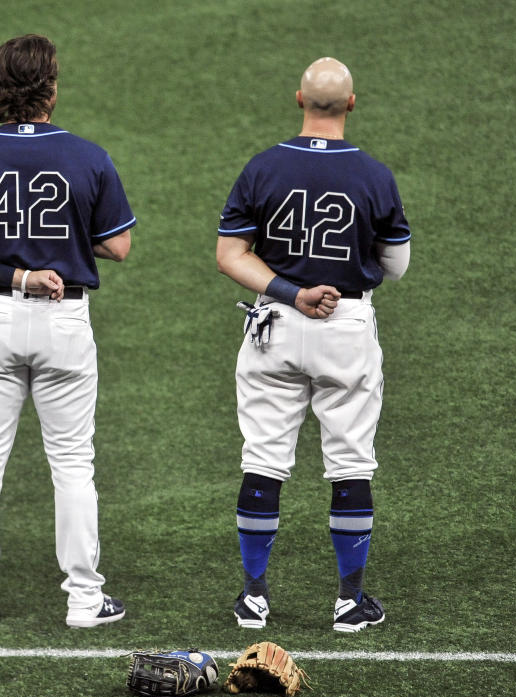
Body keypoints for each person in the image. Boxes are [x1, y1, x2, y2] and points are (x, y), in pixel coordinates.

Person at [0, 34, 135, 627]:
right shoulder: (87, 156)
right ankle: (84, 599)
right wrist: (65, 242)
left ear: (1, 85)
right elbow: (118, 245)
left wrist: (16, 273)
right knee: (72, 464)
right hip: (65, 321)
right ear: (51, 84)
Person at [216, 57, 411, 632]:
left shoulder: (263, 167)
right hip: (346, 328)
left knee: (263, 459)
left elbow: (231, 255)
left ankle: (253, 597)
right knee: (350, 462)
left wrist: (291, 290)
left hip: (275, 323)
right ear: (352, 103)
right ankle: (351, 602)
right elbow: (396, 267)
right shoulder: (374, 175)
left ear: (299, 97)